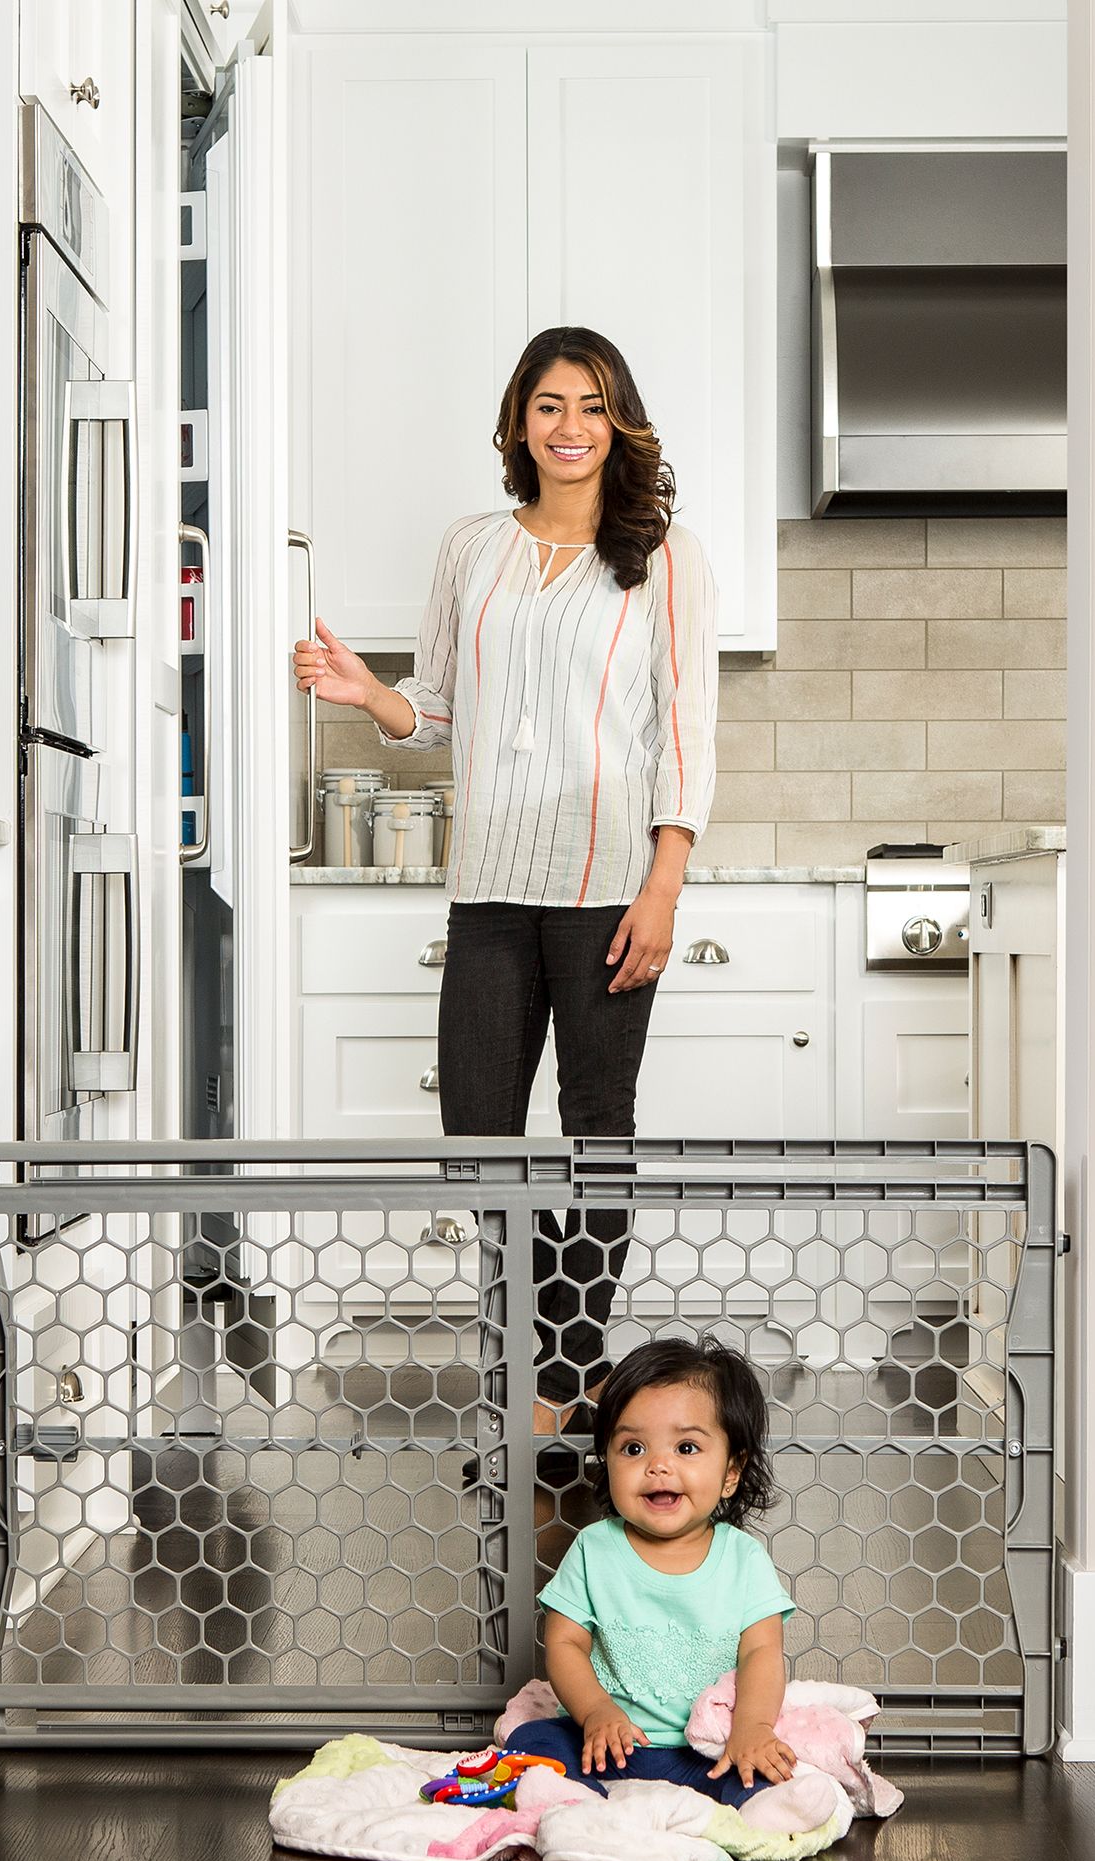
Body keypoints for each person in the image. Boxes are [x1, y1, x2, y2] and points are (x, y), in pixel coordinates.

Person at [291, 327, 720, 1494]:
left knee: (593, 1134)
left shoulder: (659, 558)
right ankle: (564, 1368)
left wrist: (664, 880)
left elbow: (685, 730)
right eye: (546, 404)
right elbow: (432, 710)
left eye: (588, 405)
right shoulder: (471, 548)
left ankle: (549, 1382)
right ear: (517, 421)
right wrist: (360, 690)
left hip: (602, 890)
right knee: (479, 1137)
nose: (567, 425)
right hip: (487, 884)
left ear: (616, 421)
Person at [494, 1337, 836, 1831]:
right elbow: (565, 1641)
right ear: (605, 1460)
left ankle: (763, 1809)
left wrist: (751, 1730)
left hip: (705, 1750)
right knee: (534, 1742)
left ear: (731, 1472)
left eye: (687, 1447)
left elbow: (762, 1654)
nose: (658, 1464)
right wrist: (595, 1711)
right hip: (609, 1742)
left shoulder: (743, 1559)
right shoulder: (594, 1548)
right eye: (633, 1448)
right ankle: (571, 1806)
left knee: (761, 1767)